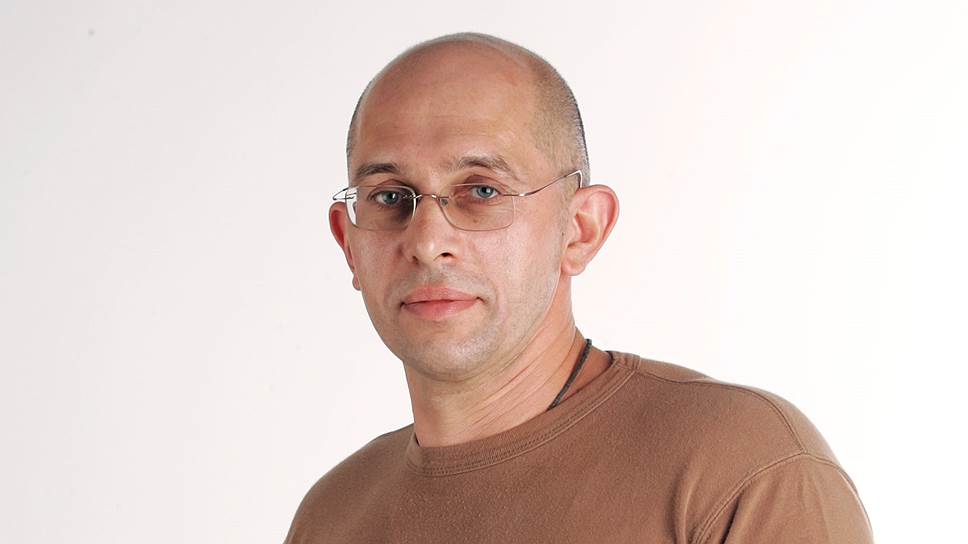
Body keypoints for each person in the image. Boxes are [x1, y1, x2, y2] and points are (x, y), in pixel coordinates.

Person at [283, 32, 874, 543]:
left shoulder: (741, 471)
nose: (427, 240)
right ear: (348, 243)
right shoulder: (331, 516)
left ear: (581, 229)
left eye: (482, 191)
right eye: (389, 197)